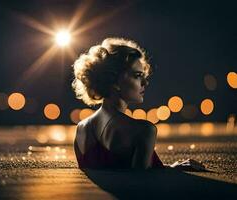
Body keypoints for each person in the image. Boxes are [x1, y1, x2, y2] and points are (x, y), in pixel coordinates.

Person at [71, 37, 206, 171]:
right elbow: (141, 184)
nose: (145, 83)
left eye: (143, 76)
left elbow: (114, 172)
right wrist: (172, 170)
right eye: (137, 75)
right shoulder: (144, 131)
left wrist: (168, 167)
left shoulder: (82, 129)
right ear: (114, 80)